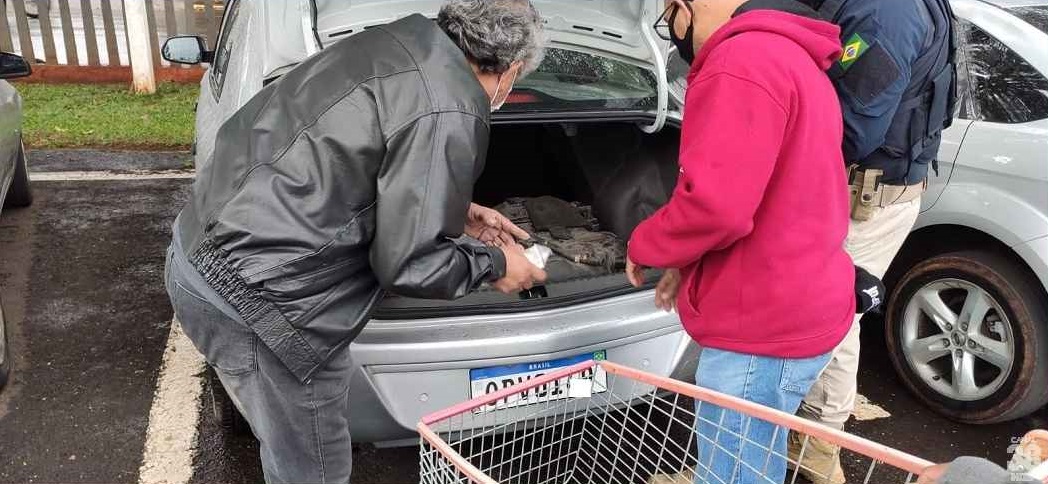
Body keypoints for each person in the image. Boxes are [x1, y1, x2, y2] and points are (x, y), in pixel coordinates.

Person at [163, 1, 547, 482]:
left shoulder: (402, 39)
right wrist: (495, 265)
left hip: (207, 249)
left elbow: (353, 157)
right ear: (510, 70)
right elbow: (410, 265)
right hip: (261, 304)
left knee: (295, 456)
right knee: (313, 471)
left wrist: (456, 210)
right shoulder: (450, 103)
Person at [625, 0, 853, 482]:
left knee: (734, 474)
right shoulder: (790, 55)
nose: (674, 34)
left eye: (668, 21)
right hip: (801, 301)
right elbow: (768, 194)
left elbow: (716, 207)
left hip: (762, 328)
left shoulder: (739, 63)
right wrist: (685, 259)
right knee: (756, 460)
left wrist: (645, 244)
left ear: (682, 8)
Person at [789, 0, 956, 481]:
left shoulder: (886, 9)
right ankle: (814, 430)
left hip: (864, 197)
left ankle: (819, 443)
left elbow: (851, 125)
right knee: (832, 314)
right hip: (870, 189)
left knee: (831, 316)